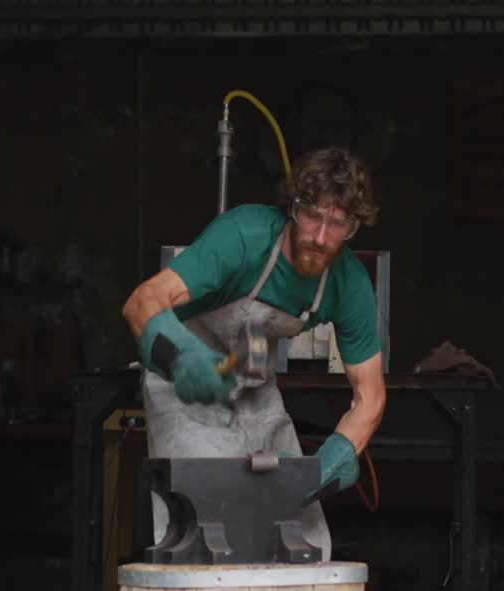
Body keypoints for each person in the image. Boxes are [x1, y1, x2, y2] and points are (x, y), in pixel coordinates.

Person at [121, 146, 387, 560]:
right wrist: (181, 358)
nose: (320, 237)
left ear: (354, 225)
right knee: (205, 537)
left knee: (306, 543)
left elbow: (370, 397)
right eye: (312, 215)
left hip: (257, 393)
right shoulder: (244, 235)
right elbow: (142, 301)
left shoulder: (348, 284)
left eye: (338, 224)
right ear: (292, 208)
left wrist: (327, 465)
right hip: (185, 388)